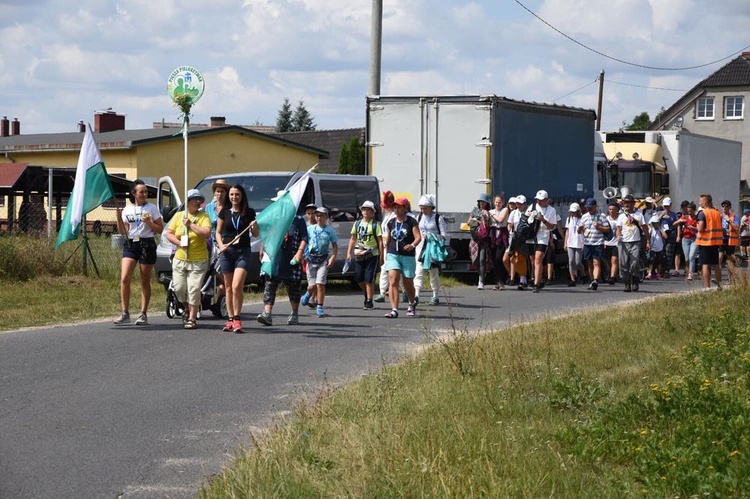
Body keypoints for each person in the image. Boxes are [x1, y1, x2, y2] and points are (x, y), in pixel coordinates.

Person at [114, 179, 164, 325]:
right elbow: (123, 231)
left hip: (147, 244)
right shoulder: (127, 209)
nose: (144, 194)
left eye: (145, 192)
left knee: (144, 280)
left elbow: (161, 229)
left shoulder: (152, 208)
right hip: (131, 244)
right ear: (134, 193)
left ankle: (143, 313)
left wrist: (149, 223)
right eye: (141, 192)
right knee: (124, 278)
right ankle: (125, 312)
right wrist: (118, 218)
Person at [165, 189, 212, 329]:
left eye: (200, 199)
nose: (198, 202)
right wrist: (179, 243)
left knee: (194, 288)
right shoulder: (179, 216)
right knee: (179, 288)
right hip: (180, 258)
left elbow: (207, 233)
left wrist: (190, 225)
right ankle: (186, 307)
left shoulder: (204, 216)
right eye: (194, 199)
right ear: (188, 201)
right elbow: (170, 233)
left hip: (198, 259)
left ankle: (192, 317)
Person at [216, 184, 258, 333]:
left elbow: (256, 234)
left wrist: (254, 226)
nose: (234, 197)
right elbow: (218, 232)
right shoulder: (224, 212)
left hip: (243, 252)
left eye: (237, 195)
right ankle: (230, 319)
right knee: (228, 287)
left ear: (242, 196)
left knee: (236, 286)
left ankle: (237, 318)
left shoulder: (249, 212)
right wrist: (221, 245)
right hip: (227, 252)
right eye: (232, 194)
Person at [256, 209, 308, 326]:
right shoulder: (274, 217)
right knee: (270, 284)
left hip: (291, 257)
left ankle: (294, 313)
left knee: (293, 286)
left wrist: (300, 252)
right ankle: (267, 313)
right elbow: (267, 234)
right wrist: (262, 249)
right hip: (274, 256)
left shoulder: (298, 220)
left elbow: (304, 238)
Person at [383, 197, 421, 318]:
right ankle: (394, 309)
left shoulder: (411, 221)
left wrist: (412, 245)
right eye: (395, 207)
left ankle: (411, 303)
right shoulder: (391, 222)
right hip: (393, 254)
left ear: (405, 208)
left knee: (407, 283)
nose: (397, 209)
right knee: (393, 280)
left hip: (407, 256)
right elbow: (389, 239)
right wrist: (387, 253)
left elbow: (418, 237)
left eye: (399, 207)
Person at [345, 200, 383, 310]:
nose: (366, 211)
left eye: (368, 210)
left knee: (369, 278)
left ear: (373, 212)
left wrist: (381, 255)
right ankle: (366, 293)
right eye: (364, 209)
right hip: (359, 253)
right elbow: (353, 239)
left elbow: (380, 241)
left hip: (372, 254)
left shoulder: (375, 225)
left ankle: (369, 301)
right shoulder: (357, 224)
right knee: (358, 277)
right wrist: (349, 252)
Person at [305, 206, 338, 318]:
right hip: (311, 259)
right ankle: (308, 294)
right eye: (317, 215)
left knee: (320, 284)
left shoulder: (329, 230)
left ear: (327, 217)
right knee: (312, 286)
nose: (319, 218)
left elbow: (335, 245)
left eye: (322, 215)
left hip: (323, 259)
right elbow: (304, 242)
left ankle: (319, 306)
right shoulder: (310, 229)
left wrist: (333, 257)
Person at [414, 194, 447, 304]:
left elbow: (443, 235)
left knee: (433, 272)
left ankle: (435, 295)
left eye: (425, 208)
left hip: (432, 249)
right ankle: (416, 294)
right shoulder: (418, 217)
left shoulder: (438, 218)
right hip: (420, 248)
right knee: (418, 271)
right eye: (421, 208)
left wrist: (432, 237)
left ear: (431, 208)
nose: (423, 210)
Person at [526, 189, 557, 293]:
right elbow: (525, 217)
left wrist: (543, 220)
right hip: (532, 235)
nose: (538, 202)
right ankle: (538, 277)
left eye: (541, 200)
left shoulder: (552, 210)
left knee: (538, 259)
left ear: (546, 200)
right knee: (533, 260)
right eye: (537, 199)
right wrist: (530, 214)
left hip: (543, 236)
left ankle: (536, 284)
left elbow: (552, 227)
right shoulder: (533, 206)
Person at [205, 178, 230, 300]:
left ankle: (225, 289)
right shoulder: (209, 208)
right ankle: (221, 291)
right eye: (217, 191)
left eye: (222, 191)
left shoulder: (229, 208)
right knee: (211, 269)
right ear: (214, 193)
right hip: (211, 244)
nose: (219, 194)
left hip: (225, 243)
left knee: (219, 270)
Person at [616, 194, 646, 292]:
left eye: (629, 202)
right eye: (625, 202)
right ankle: (627, 283)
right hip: (624, 242)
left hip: (635, 241)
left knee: (634, 263)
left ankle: (635, 280)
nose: (627, 204)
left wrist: (648, 240)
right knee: (623, 264)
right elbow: (618, 229)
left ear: (633, 204)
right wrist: (618, 236)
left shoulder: (639, 215)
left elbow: (644, 228)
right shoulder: (621, 216)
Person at [580, 197, 609, 291]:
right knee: (589, 263)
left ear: (595, 206)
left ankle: (596, 280)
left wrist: (599, 227)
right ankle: (592, 280)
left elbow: (607, 229)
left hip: (598, 242)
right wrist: (580, 228)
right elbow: (579, 231)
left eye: (591, 207)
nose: (589, 209)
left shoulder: (601, 216)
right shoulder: (584, 216)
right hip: (588, 242)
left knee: (596, 262)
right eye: (587, 207)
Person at [696, 194, 723, 290]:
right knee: (716, 265)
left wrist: (697, 223)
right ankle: (719, 285)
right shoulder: (717, 213)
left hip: (705, 242)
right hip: (715, 242)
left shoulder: (703, 213)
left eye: (701, 201)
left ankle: (707, 287)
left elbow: (700, 228)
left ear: (705, 202)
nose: (699, 203)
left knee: (705, 264)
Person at [374, 191, 396, 303]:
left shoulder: (393, 216)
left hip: (392, 245)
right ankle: (382, 292)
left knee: (396, 270)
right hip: (384, 245)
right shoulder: (386, 216)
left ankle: (403, 291)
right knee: (383, 268)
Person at [468, 193, 492, 289]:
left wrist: (485, 219)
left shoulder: (489, 212)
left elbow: (489, 225)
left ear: (487, 203)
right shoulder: (474, 210)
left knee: (482, 259)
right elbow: (469, 222)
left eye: (484, 202)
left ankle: (481, 281)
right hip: (474, 238)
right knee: (475, 260)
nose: (482, 203)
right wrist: (476, 221)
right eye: (480, 202)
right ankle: (481, 273)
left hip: (484, 239)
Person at [489, 194, 510, 290]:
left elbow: (501, 220)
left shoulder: (505, 210)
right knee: (493, 259)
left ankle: (502, 280)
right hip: (493, 234)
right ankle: (497, 281)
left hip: (502, 234)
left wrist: (492, 215)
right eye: (496, 202)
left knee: (499, 258)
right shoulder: (491, 211)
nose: (497, 204)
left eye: (499, 202)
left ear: (503, 203)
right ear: (494, 202)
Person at [300, 203, 319, 309]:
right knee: (311, 279)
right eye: (309, 213)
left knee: (317, 279)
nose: (311, 216)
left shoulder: (319, 225)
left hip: (318, 255)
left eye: (313, 213)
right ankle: (310, 297)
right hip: (307, 255)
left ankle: (313, 299)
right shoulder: (305, 226)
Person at [674, 202, 698, 280]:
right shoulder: (685, 217)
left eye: (691, 211)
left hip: (694, 239)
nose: (689, 213)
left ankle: (691, 273)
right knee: (687, 258)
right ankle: (688, 271)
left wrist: (693, 228)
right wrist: (680, 221)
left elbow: (699, 229)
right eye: (688, 211)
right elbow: (674, 224)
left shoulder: (697, 218)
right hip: (685, 239)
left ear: (694, 210)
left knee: (692, 256)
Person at [719, 199, 740, 285]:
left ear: (730, 207)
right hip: (720, 239)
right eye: (723, 205)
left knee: (729, 260)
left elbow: (737, 228)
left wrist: (729, 221)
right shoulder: (719, 216)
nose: (724, 207)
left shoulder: (734, 217)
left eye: (726, 206)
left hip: (730, 240)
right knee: (719, 259)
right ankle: (719, 278)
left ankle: (730, 278)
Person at [658, 197, 679, 277]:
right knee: (661, 253)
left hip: (671, 235)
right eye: (665, 206)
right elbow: (655, 222)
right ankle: (661, 269)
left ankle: (667, 270)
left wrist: (678, 236)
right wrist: (662, 215)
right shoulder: (659, 212)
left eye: (667, 206)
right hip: (661, 235)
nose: (666, 207)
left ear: (670, 205)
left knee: (669, 253)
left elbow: (677, 225)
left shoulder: (674, 214)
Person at [564, 202, 584, 286]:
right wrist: (565, 243)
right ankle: (573, 279)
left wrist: (584, 243)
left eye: (574, 211)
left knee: (577, 262)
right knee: (571, 261)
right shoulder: (569, 219)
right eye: (571, 211)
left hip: (579, 242)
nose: (572, 213)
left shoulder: (582, 219)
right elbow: (567, 231)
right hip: (570, 242)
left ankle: (583, 274)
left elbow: (585, 232)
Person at [502, 197, 518, 285]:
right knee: (505, 260)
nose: (512, 205)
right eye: (510, 204)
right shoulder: (506, 212)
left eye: (513, 204)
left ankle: (512, 278)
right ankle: (511, 273)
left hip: (515, 238)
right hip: (507, 238)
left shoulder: (517, 213)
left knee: (512, 258)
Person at [603, 201, 620, 285]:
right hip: (607, 243)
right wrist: (603, 242)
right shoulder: (606, 219)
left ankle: (612, 277)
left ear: (617, 210)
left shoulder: (620, 219)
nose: (611, 211)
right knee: (608, 261)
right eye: (610, 209)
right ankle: (612, 273)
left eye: (613, 209)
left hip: (616, 243)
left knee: (614, 260)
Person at [645, 215, 667, 280]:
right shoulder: (651, 230)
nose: (655, 225)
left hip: (660, 247)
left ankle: (658, 274)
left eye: (656, 223)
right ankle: (649, 273)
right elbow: (648, 237)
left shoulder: (661, 229)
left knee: (659, 261)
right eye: (654, 223)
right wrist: (647, 244)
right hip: (652, 247)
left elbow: (665, 236)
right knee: (651, 260)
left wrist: (660, 229)